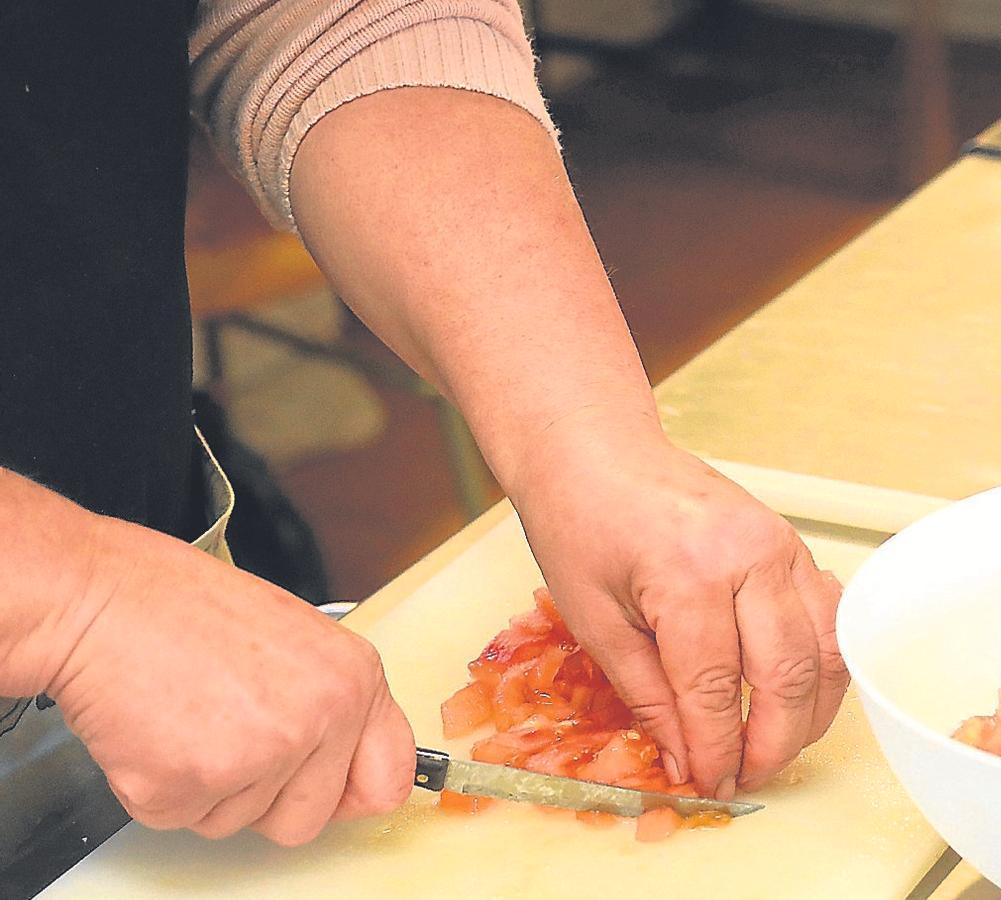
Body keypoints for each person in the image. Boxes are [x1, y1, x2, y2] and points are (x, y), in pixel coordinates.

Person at [0, 0, 846, 854]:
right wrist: (69, 595)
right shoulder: (84, 603)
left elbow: (326, 17)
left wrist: (582, 438)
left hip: (160, 655)